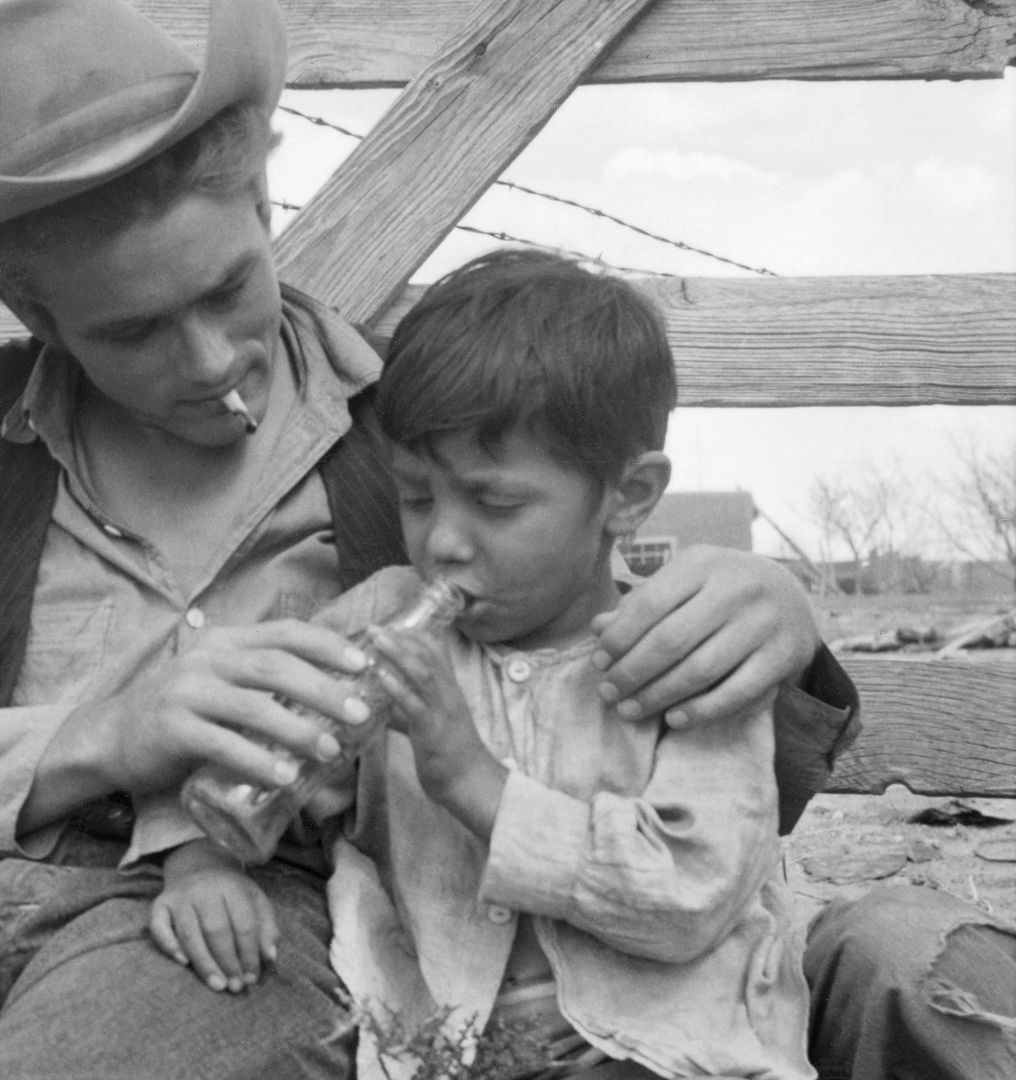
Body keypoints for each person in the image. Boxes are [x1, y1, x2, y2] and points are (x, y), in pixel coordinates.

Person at [0, 2, 865, 1077]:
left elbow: (576, 661)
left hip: (229, 923)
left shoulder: (417, 441)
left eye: (230, 287)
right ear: (34, 312)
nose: (207, 359)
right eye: (129, 332)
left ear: (266, 203)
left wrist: (771, 607)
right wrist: (100, 737)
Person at [323, 248, 807, 1078]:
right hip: (436, 1051)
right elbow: (271, 758)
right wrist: (205, 851)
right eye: (416, 496)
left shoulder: (687, 656)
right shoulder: (383, 619)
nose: (443, 540)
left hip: (663, 1056)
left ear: (628, 495)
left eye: (495, 501)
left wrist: (472, 781)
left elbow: (690, 895)